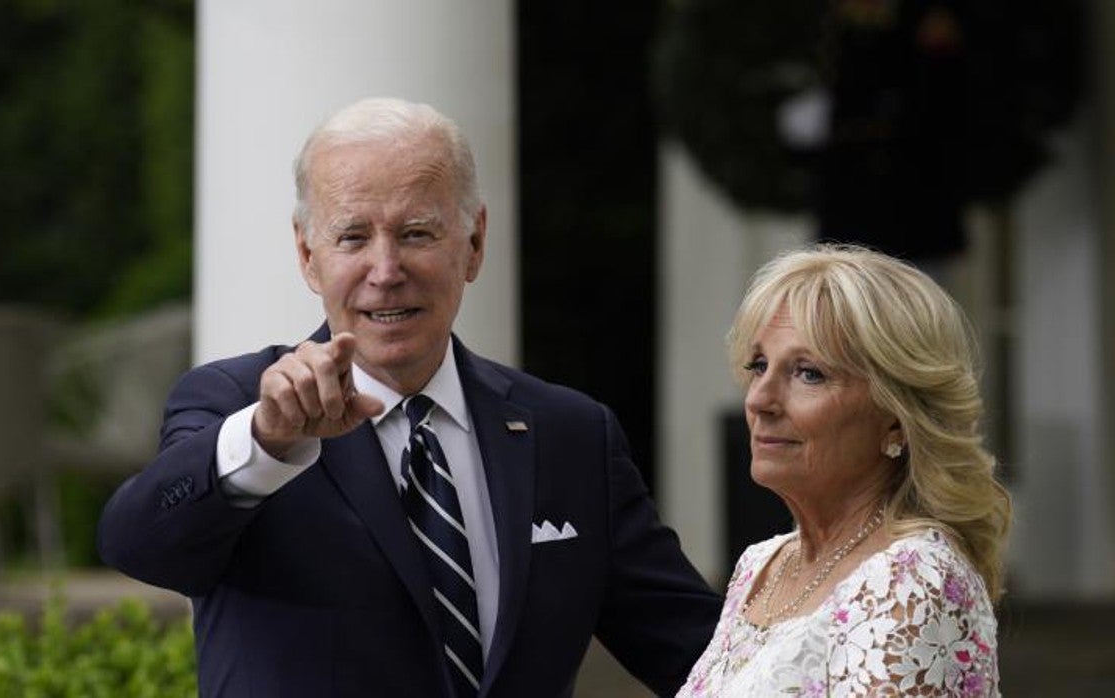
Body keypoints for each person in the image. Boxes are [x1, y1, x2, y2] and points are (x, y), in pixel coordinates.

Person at [98, 97, 721, 697]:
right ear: (307, 254)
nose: (387, 269)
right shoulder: (236, 407)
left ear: (474, 244)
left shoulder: (571, 434)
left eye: (418, 233)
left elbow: (704, 658)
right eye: (352, 238)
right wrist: (265, 443)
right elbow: (141, 546)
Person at [677, 244, 1011, 696]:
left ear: (896, 415)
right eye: (759, 365)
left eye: (808, 373)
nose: (759, 399)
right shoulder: (762, 565)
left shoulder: (914, 580)